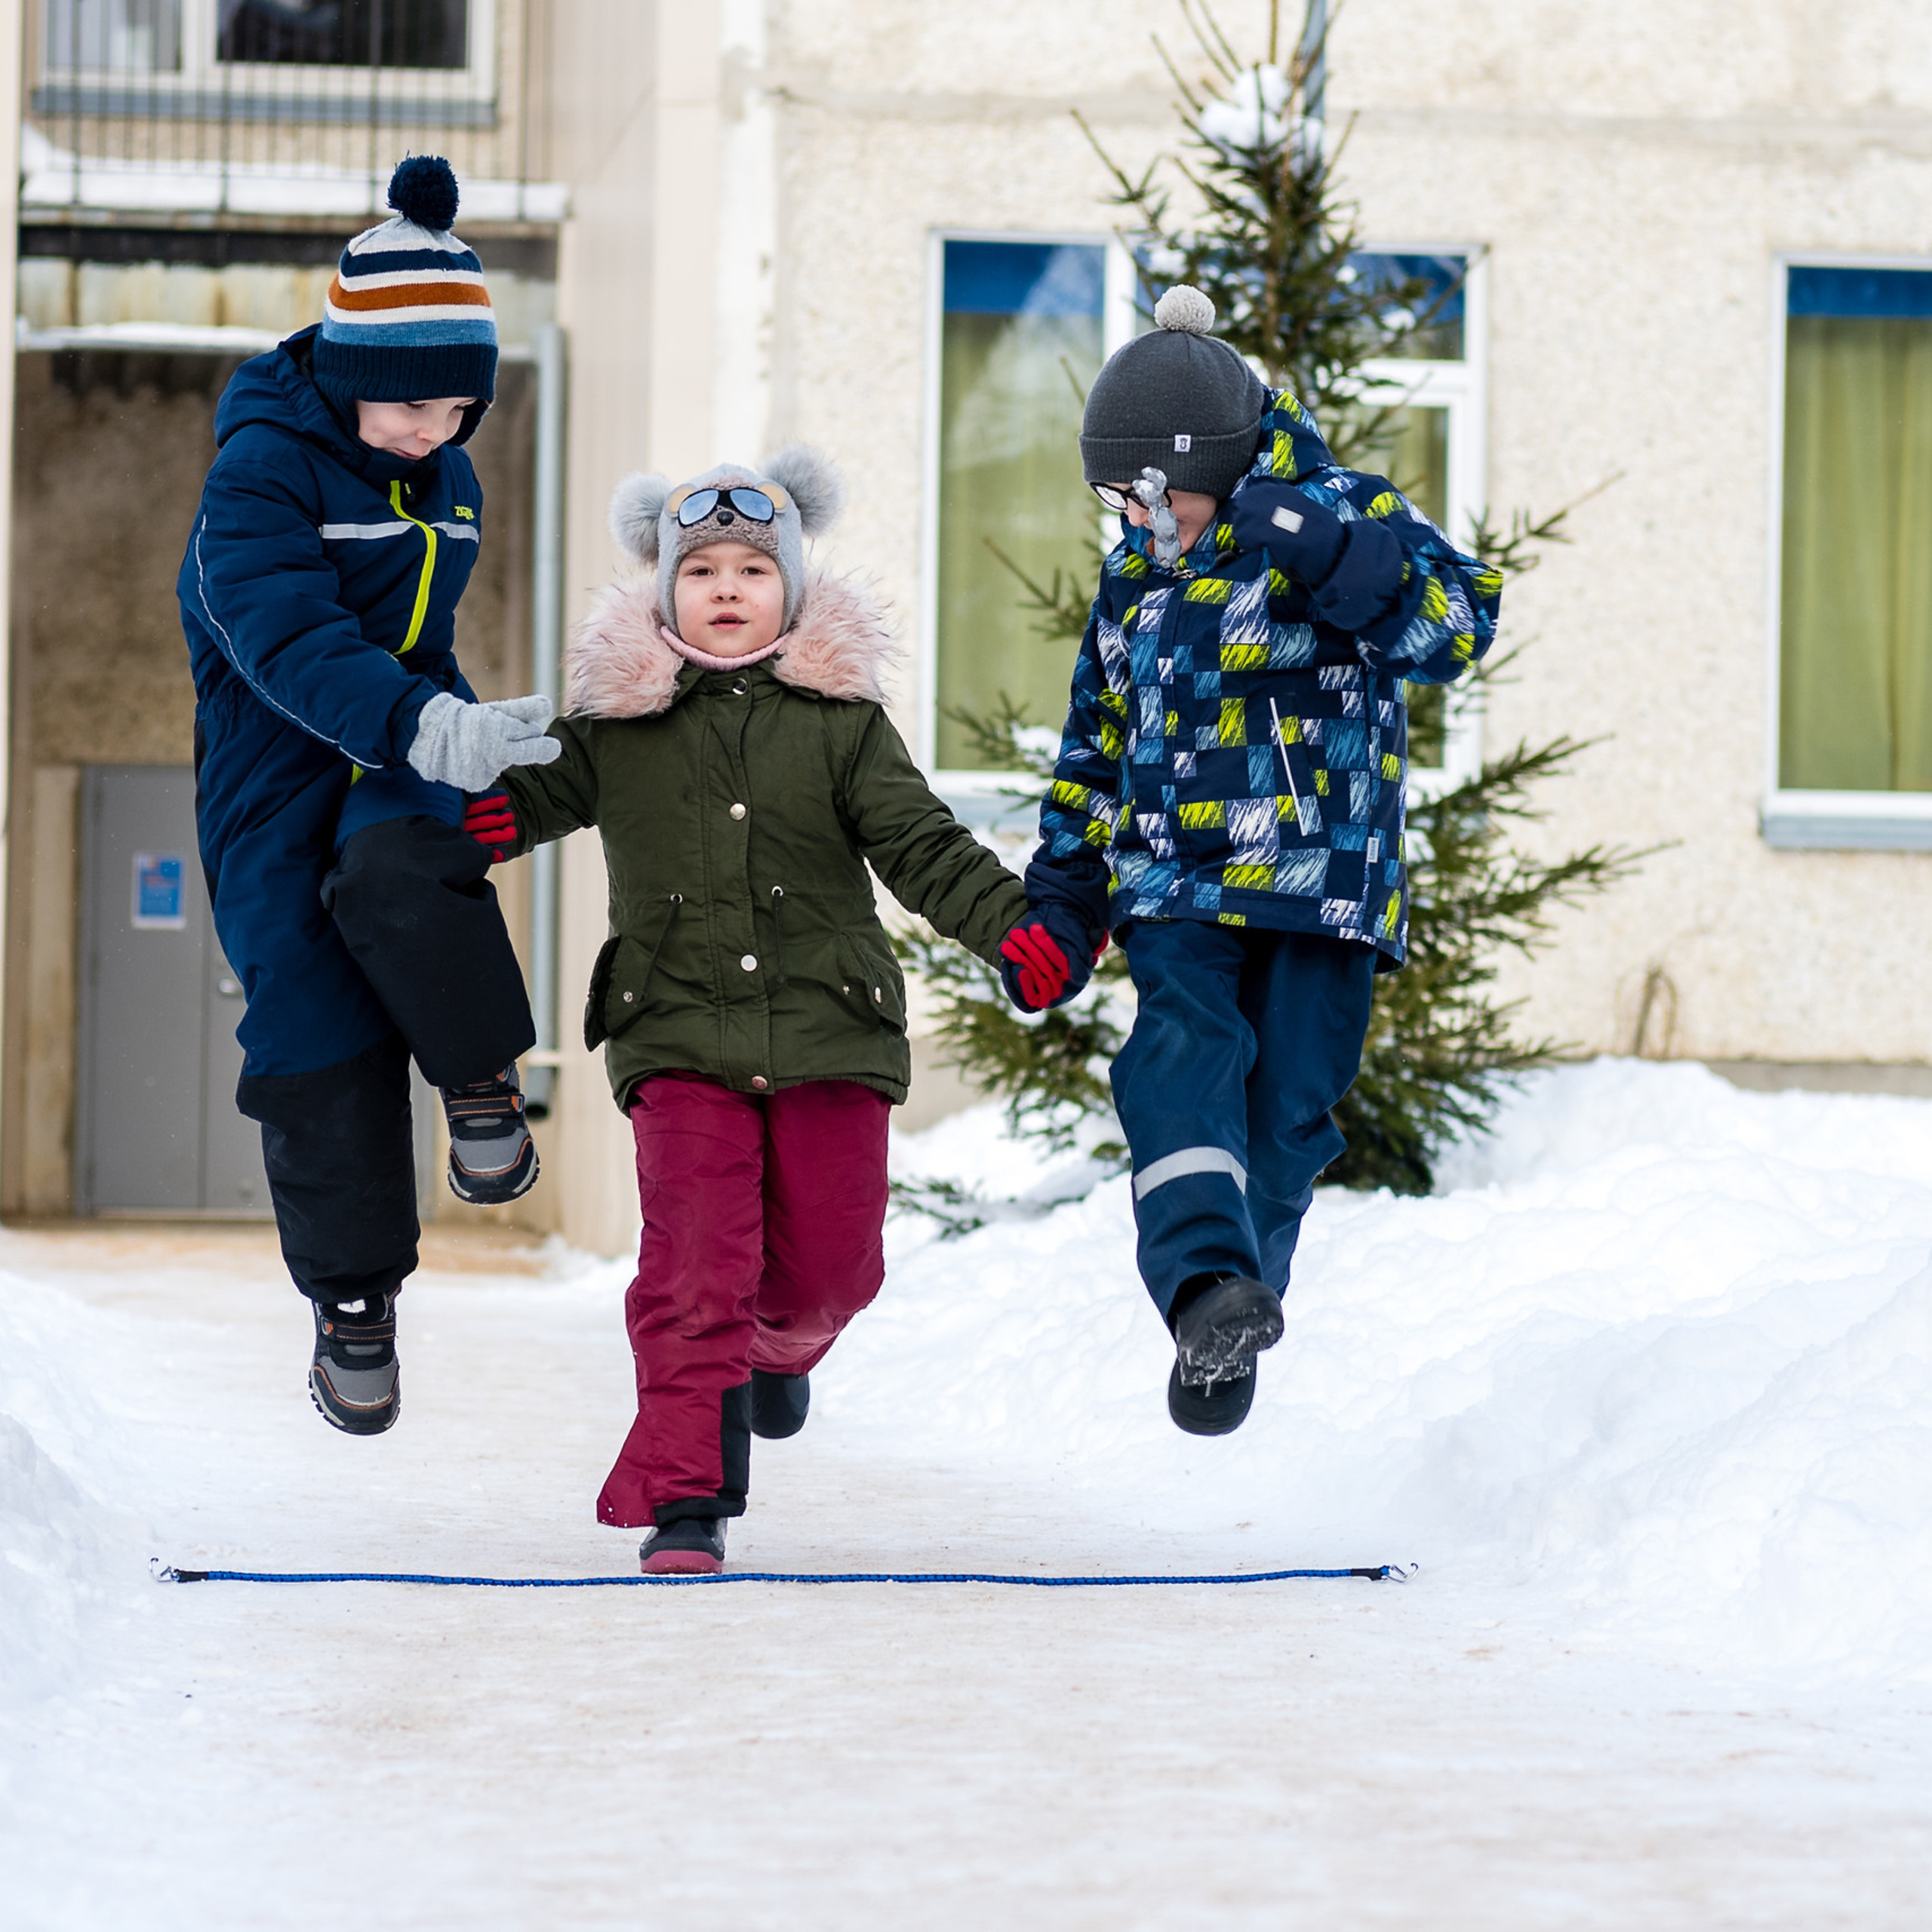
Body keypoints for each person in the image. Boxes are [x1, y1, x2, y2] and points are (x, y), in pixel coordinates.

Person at [467, 448, 1028, 1574]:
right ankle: (688, 1500)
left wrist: (1015, 929)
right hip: (675, 1031)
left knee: (832, 1274)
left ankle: (775, 1352)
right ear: (664, 588)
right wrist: (435, 824)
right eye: (702, 570)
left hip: (831, 1029)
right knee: (692, 1271)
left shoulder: (843, 724)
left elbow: (922, 846)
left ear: (794, 587)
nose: (727, 588)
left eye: (754, 570)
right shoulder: (614, 725)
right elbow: (513, 806)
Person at [1000, 285, 1503, 1438]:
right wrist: (1066, 900)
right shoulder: (1136, 581)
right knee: (1178, 1059)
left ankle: (1233, 1315)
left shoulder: (1340, 514)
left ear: (1205, 464)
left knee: (1286, 1121)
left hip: (1324, 888)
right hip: (1180, 885)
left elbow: (1459, 625)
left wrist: (1338, 556)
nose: (1134, 517)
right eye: (1114, 499)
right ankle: (1200, 1287)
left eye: (1146, 493)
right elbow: (1094, 747)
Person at [180, 157, 561, 1438]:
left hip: (395, 748)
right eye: (408, 407)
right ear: (348, 376)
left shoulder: (447, 477)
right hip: (275, 770)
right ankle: (353, 1299)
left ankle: (480, 1078)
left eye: (458, 408)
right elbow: (282, 635)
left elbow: (419, 644)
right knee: (312, 1021)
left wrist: (464, 730)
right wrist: (423, 723)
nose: (431, 433)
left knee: (407, 874)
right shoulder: (259, 474)